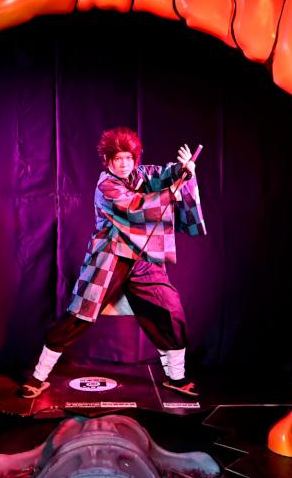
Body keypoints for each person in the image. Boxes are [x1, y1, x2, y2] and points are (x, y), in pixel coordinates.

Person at [17, 126, 206, 399]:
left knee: (170, 309)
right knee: (79, 316)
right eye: (118, 158)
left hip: (142, 259)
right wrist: (170, 193)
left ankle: (176, 377)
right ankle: (38, 376)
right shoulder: (106, 186)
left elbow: (162, 175)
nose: (124, 164)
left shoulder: (140, 174)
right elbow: (135, 207)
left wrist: (183, 170)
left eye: (129, 158)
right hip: (109, 259)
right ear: (107, 160)